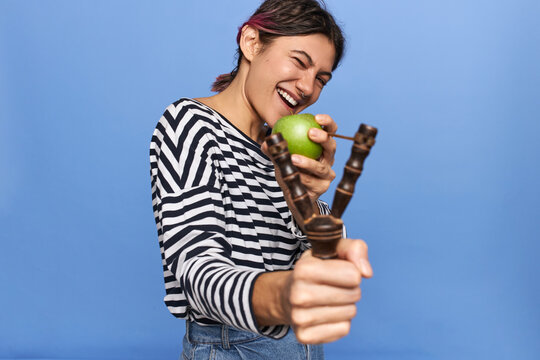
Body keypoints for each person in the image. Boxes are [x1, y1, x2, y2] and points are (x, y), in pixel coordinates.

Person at [149, 0, 372, 358]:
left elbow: (320, 262)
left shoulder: (280, 148)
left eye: (321, 79)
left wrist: (306, 201)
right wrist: (286, 295)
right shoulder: (189, 124)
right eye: (299, 62)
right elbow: (197, 272)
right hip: (232, 347)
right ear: (251, 42)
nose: (306, 87)